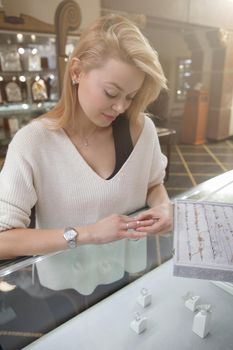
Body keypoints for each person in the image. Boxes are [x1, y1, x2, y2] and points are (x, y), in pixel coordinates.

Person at [0, 14, 172, 293]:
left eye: (130, 96)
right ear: (77, 71)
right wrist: (88, 234)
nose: (120, 108)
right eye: (111, 92)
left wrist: (163, 207)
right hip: (64, 290)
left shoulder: (142, 130)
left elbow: (153, 183)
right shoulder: (33, 142)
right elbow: (3, 240)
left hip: (130, 272)